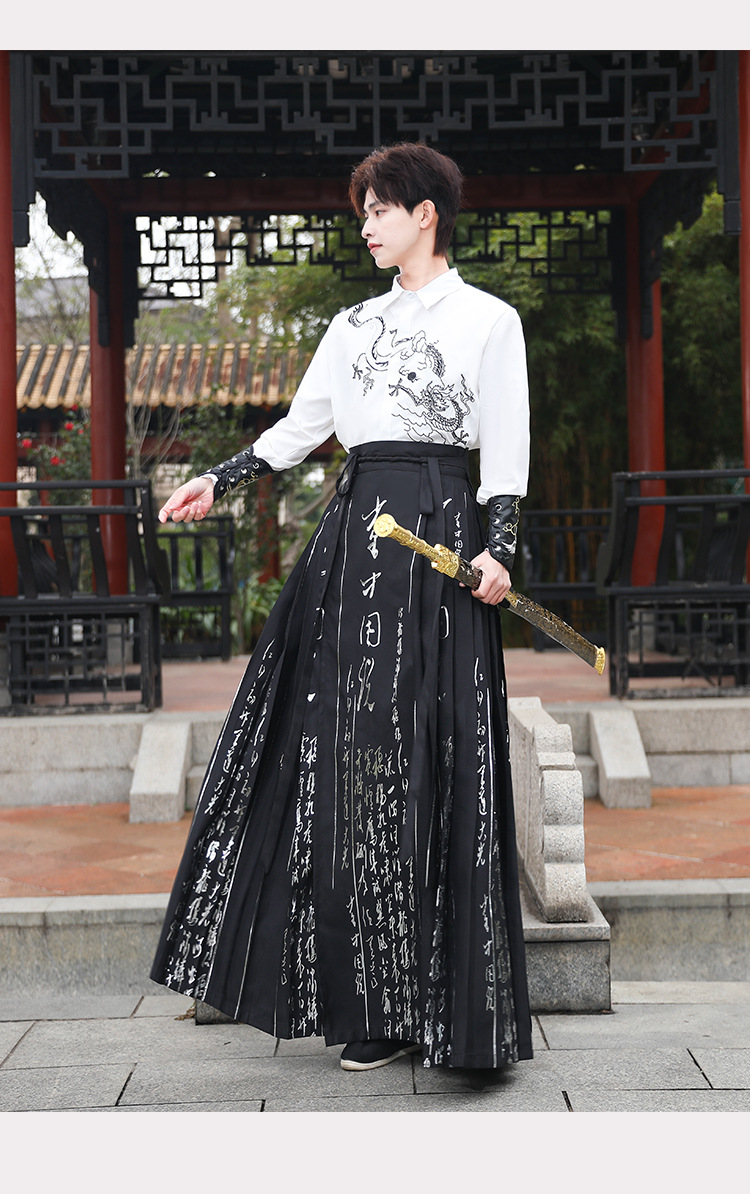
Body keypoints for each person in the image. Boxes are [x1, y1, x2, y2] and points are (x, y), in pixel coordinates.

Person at [150, 141, 533, 1072]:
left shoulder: (490, 320)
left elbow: (505, 446)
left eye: (378, 209)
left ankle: (450, 1008)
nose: (366, 226)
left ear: (425, 214)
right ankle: (371, 1000)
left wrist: (500, 548)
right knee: (348, 756)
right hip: (359, 542)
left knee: (436, 756)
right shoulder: (353, 324)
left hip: (442, 544)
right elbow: (304, 426)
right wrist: (218, 477)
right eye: (363, 211)